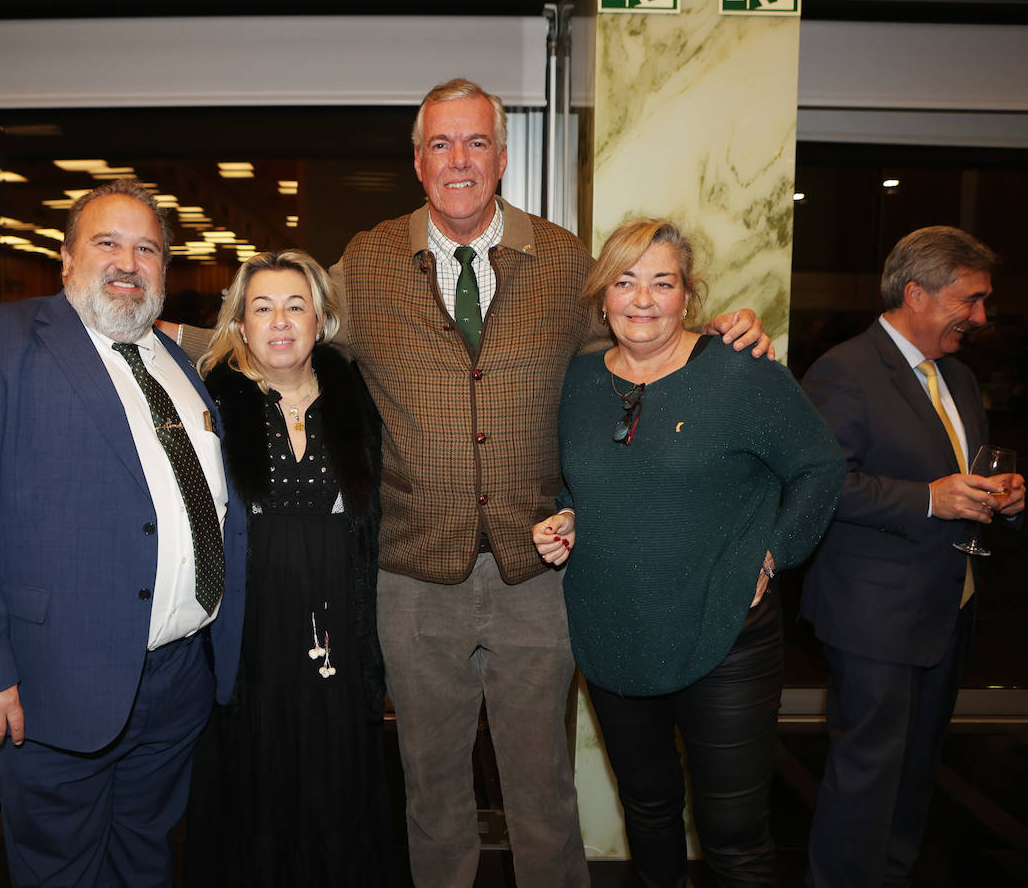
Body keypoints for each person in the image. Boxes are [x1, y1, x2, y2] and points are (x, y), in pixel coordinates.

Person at [174, 78, 771, 888]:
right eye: (441, 145)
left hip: (539, 573)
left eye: (477, 142)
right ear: (418, 162)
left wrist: (721, 334)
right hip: (414, 577)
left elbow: (642, 333)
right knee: (432, 789)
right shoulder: (370, 260)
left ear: (501, 157)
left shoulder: (563, 260)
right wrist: (150, 337)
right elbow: (279, 323)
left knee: (542, 791)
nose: (460, 160)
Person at [0, 179, 247, 887]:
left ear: (164, 268)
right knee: (61, 871)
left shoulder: (178, 363)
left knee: (145, 858)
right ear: (65, 260)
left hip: (178, 680)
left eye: (146, 248)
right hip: (53, 683)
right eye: (108, 243)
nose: (128, 261)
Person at [533, 217, 842, 886]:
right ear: (602, 294)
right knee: (648, 812)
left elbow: (821, 468)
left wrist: (774, 554)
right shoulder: (579, 383)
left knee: (733, 838)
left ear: (687, 294)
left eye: (662, 282)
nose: (642, 299)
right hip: (613, 630)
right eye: (626, 281)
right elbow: (582, 483)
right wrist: (565, 517)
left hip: (724, 634)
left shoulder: (741, 373)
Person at [801, 225, 1025, 887]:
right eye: (971, 300)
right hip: (873, 616)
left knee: (917, 770)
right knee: (867, 773)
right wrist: (931, 500)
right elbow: (821, 486)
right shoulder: (845, 369)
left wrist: (999, 497)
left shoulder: (957, 376)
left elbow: (961, 475)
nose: (981, 318)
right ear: (916, 293)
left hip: (947, 608)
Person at [182, 250, 393, 886]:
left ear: (322, 318)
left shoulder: (359, 400)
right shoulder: (208, 406)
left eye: (295, 306)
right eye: (262, 307)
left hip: (340, 624)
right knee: (258, 785)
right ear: (240, 324)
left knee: (338, 783)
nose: (280, 321)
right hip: (252, 632)